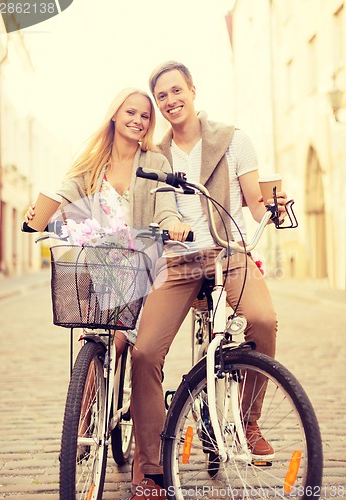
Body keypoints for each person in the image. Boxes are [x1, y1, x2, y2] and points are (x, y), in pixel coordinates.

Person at [129, 62, 288, 499]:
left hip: (229, 252)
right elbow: (160, 206)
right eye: (161, 96)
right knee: (144, 353)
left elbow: (255, 202)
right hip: (179, 262)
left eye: (176, 91)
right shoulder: (155, 155)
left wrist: (271, 207)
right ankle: (150, 468)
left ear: (193, 90)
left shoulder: (234, 140)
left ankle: (249, 420)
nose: (169, 101)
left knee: (262, 321)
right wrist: (171, 224)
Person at [24, 87, 191, 487]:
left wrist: (173, 224)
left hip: (145, 267)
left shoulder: (154, 160)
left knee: (135, 349)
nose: (137, 120)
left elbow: (167, 204)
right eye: (130, 112)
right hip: (103, 269)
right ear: (115, 115)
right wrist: (39, 213)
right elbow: (64, 192)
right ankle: (80, 427)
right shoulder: (92, 164)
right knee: (97, 340)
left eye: (145, 116)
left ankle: (144, 450)